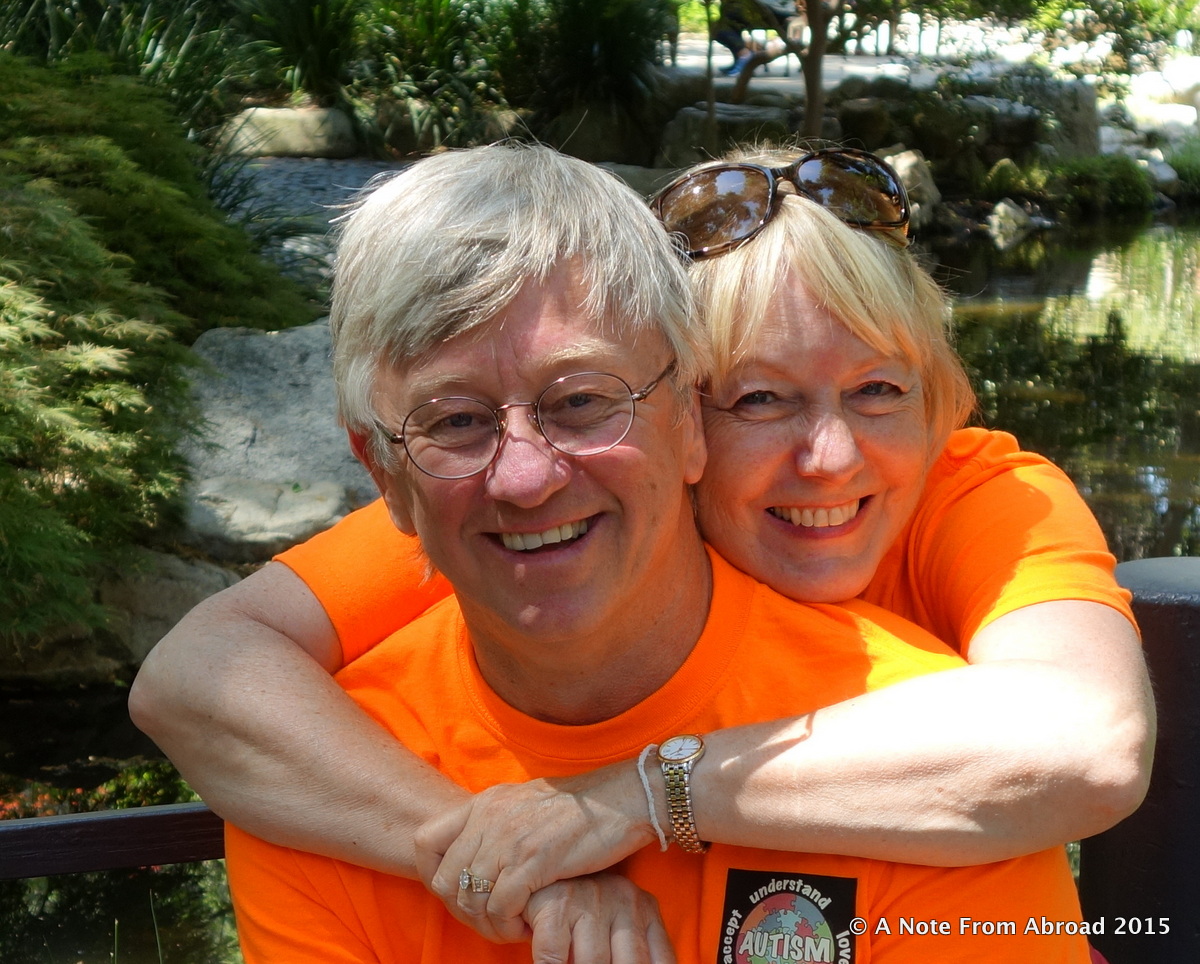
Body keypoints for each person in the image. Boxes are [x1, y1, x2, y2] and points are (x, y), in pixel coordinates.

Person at [128, 145, 1152, 950]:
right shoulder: (506, 506)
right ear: (691, 418)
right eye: (762, 398)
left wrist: (639, 793)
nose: (831, 456)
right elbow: (199, 674)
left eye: (880, 388)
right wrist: (503, 858)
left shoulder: (977, 497)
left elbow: (1086, 746)